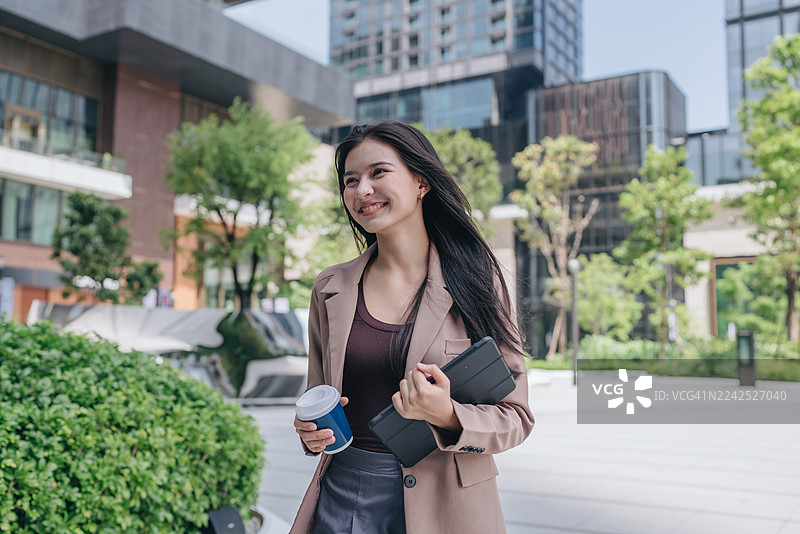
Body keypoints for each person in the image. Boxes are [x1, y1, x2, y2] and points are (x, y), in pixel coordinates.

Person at [291, 120, 534, 534]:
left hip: (448, 507)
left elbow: (516, 418)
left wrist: (450, 415)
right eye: (351, 180)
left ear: (421, 182)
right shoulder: (330, 288)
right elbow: (319, 396)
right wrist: (309, 431)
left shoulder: (476, 279)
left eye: (378, 172)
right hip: (342, 497)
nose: (362, 190)